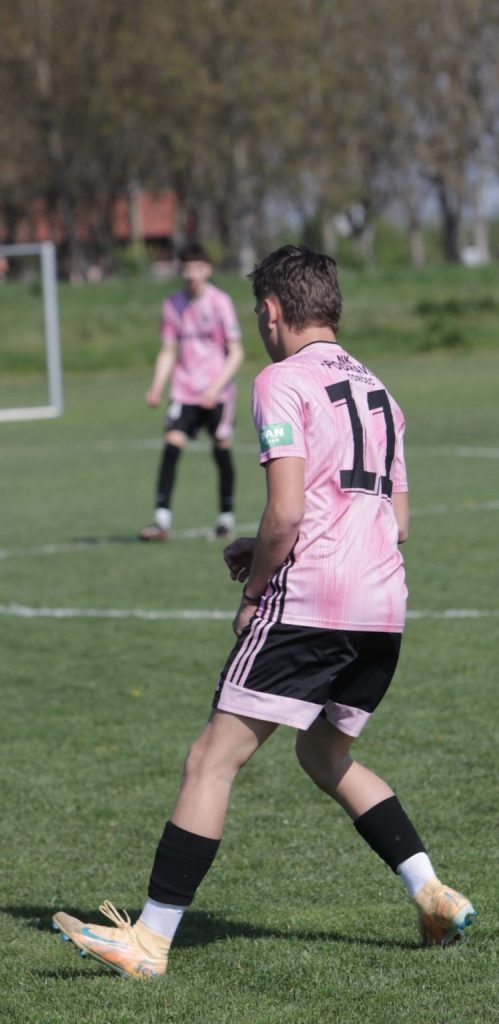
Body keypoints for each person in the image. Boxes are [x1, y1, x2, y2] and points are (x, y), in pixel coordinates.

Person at [52, 245, 476, 980]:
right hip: (382, 608)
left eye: (258, 312)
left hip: (313, 601)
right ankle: (431, 891)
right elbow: (396, 521)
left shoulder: (281, 381)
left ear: (272, 312)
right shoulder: (382, 394)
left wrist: (254, 591)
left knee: (210, 761)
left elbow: (286, 511)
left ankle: (150, 941)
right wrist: (272, 541)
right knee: (325, 754)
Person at [139, 243, 244, 541]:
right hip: (184, 390)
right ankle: (161, 521)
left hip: (217, 391)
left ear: (207, 270)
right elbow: (168, 350)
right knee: (171, 445)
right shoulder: (172, 305)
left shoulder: (220, 302)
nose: (191, 274)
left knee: (221, 446)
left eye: (197, 268)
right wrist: (156, 387)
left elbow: (236, 352)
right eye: (186, 268)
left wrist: (215, 387)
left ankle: (225, 517)